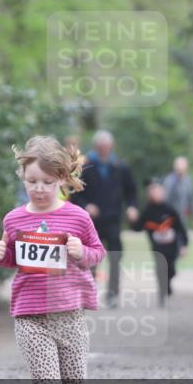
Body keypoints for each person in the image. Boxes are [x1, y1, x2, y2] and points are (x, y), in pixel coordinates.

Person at [0, 135, 106, 384]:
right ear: (22, 179)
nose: (39, 189)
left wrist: (79, 252)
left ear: (62, 179)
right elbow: (15, 259)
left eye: (47, 182)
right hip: (30, 317)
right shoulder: (13, 219)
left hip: (69, 316)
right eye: (32, 182)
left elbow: (98, 253)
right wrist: (1, 254)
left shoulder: (77, 217)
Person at [69, 130, 139, 307]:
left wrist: (132, 207)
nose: (104, 150)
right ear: (95, 147)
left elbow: (132, 191)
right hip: (91, 223)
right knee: (90, 258)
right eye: (101, 148)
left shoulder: (120, 166)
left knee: (116, 257)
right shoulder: (84, 167)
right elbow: (75, 194)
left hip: (113, 220)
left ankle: (113, 294)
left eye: (107, 147)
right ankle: (89, 293)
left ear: (111, 147)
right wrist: (86, 206)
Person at [131, 178, 189, 307]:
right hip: (157, 247)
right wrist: (133, 219)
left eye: (158, 191)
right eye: (153, 191)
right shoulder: (147, 210)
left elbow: (181, 228)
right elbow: (137, 228)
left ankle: (167, 283)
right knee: (160, 268)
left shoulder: (170, 209)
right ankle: (163, 290)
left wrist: (184, 245)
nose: (155, 194)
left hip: (172, 247)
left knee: (171, 269)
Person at [162, 156, 193, 230]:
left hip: (182, 218)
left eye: (182, 166)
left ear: (186, 167)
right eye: (178, 166)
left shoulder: (188, 180)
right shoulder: (169, 181)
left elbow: (192, 199)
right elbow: (164, 200)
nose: (180, 169)